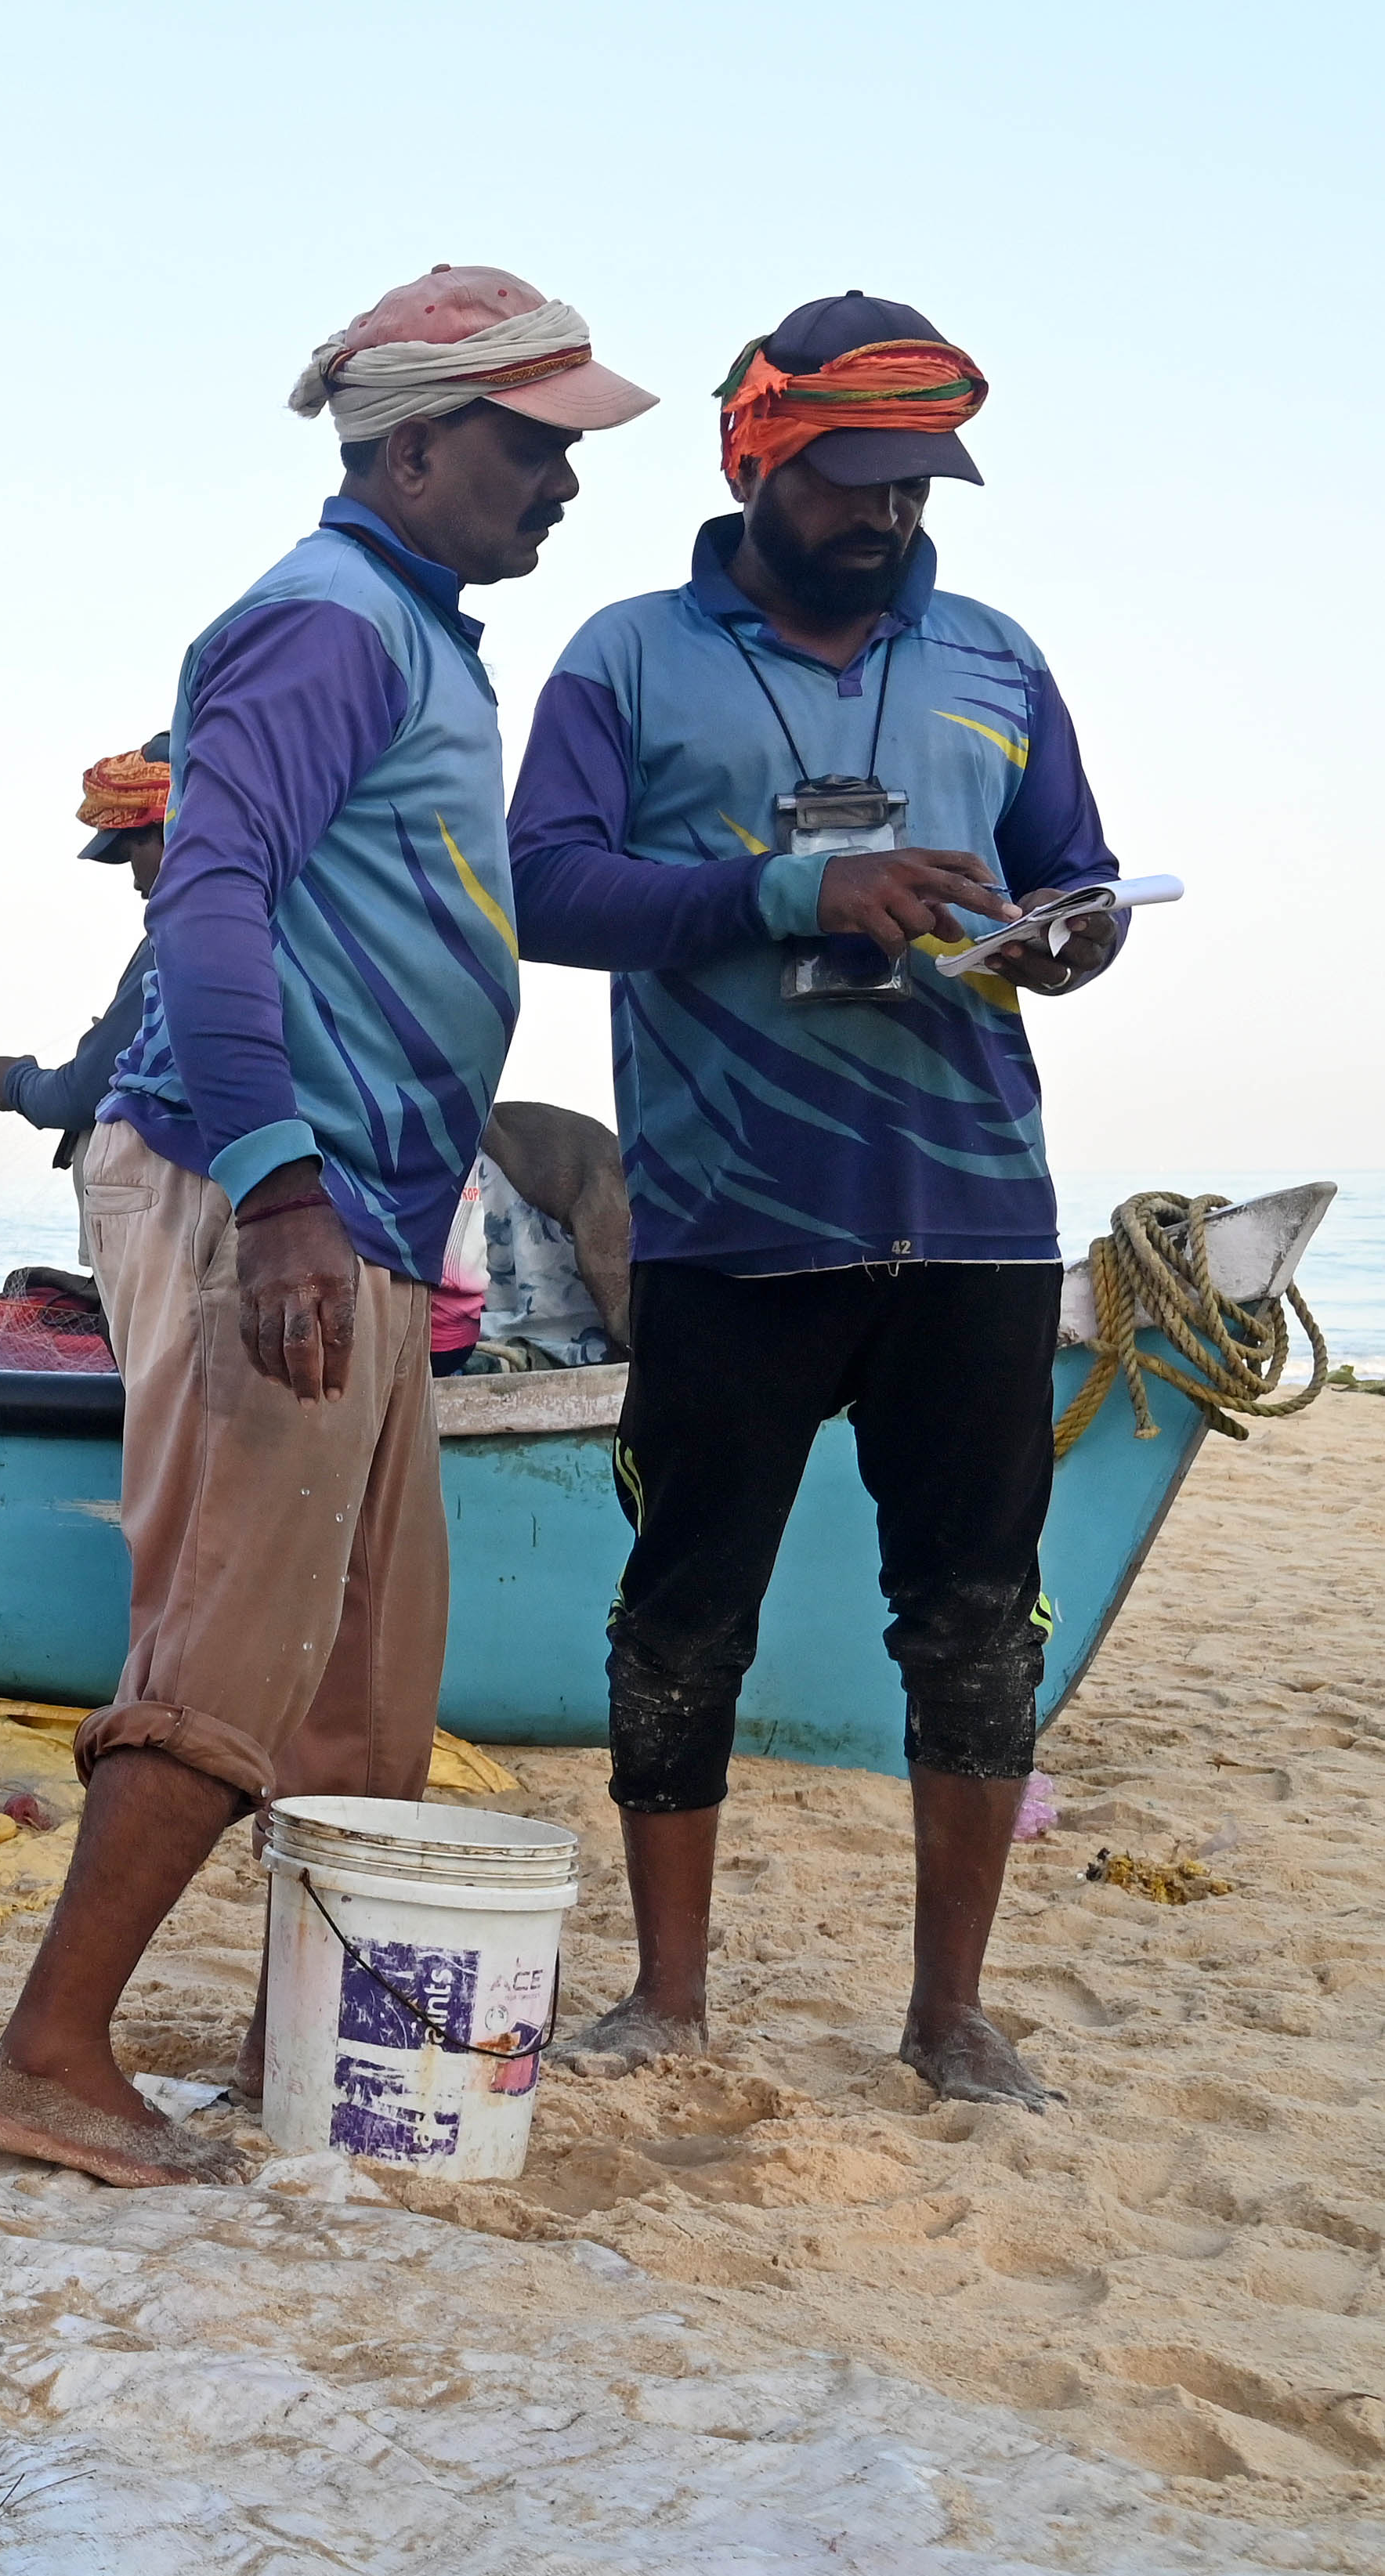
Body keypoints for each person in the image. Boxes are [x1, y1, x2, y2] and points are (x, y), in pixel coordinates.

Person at [0, 268, 654, 2187]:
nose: (562, 485)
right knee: (232, 1639)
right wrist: (272, 1187)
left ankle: (307, 2049)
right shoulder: (325, 622)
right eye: (535, 447)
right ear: (414, 444)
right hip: (280, 1189)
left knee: (365, 1674)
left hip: (361, 1207)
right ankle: (46, 2055)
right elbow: (209, 889)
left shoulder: (422, 637)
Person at [507, 293, 1119, 2108]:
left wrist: (1074, 933)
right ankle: (668, 2000)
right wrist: (795, 892)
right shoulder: (623, 659)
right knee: (684, 1608)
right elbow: (543, 891)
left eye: (917, 483)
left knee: (973, 1614)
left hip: (978, 1211)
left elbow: (1071, 871)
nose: (887, 514)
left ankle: (948, 2015)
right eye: (851, 479)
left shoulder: (997, 659)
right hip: (726, 1219)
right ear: (753, 456)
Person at [0, 739, 172, 1227]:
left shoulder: (182, 937)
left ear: (171, 833)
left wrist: (16, 1082)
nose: (135, 880)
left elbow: (83, 1092)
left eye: (134, 849)